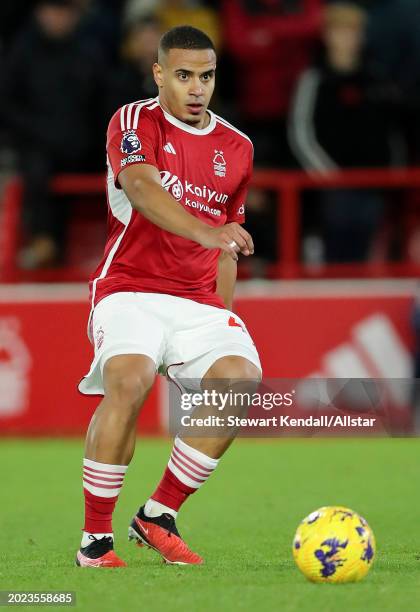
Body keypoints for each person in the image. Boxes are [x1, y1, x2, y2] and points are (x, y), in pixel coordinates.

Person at [76, 25, 262, 567]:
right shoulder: (135, 120)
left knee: (239, 381)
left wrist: (219, 314)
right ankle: (95, 540)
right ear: (159, 75)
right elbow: (140, 186)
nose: (196, 87)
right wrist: (205, 231)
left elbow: (228, 240)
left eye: (205, 76)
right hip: (130, 289)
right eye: (183, 76)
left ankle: (158, 514)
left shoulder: (238, 147)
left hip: (197, 301)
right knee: (128, 384)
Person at [288, 2, 402, 262]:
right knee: (334, 253)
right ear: (327, 35)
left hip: (372, 183)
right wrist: (328, 176)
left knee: (368, 252)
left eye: (353, 32)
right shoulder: (314, 78)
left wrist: (390, 171)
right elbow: (301, 131)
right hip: (331, 186)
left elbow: (390, 129)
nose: (347, 39)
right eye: (340, 31)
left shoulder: (376, 79)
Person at [0, 0, 106, 269]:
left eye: (64, 12)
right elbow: (8, 104)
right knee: (38, 165)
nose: (57, 18)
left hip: (84, 143)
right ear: (39, 13)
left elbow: (102, 102)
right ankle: (44, 240)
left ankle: (130, 247)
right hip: (38, 141)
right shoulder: (22, 51)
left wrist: (91, 136)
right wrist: (38, 131)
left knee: (128, 166)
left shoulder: (90, 51)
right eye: (52, 11)